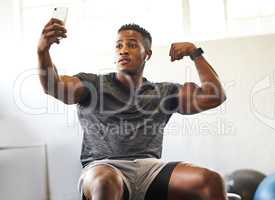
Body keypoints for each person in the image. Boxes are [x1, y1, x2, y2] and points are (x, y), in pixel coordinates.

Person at [38, 18, 227, 200]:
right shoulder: (93, 84)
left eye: (132, 45)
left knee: (211, 180)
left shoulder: (163, 92)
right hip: (103, 167)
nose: (124, 51)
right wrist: (43, 50)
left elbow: (215, 96)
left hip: (150, 169)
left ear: (147, 54)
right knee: (106, 183)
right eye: (119, 45)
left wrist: (195, 53)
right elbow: (53, 86)